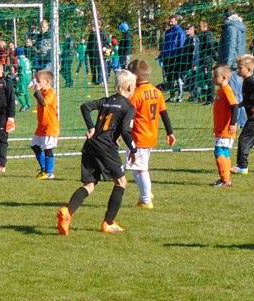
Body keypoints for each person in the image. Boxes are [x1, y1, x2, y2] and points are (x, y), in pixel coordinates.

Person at [55, 70, 139, 236]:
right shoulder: (128, 107)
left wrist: (91, 128)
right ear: (129, 87)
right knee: (121, 182)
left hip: (90, 144)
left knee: (90, 184)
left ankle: (68, 212)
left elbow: (85, 107)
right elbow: (125, 130)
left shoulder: (106, 101)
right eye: (134, 86)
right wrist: (133, 148)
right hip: (105, 147)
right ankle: (108, 223)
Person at [126, 59, 176, 209]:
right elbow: (164, 113)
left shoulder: (136, 95)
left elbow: (129, 118)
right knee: (137, 168)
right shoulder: (156, 92)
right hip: (151, 135)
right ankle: (146, 192)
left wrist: (122, 133)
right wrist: (170, 132)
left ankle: (146, 199)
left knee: (140, 170)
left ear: (134, 77)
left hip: (139, 137)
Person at [218, 8, 247, 126]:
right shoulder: (239, 26)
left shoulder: (231, 27)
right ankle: (241, 120)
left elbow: (231, 46)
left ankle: (239, 121)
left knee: (234, 94)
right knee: (238, 93)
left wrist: (227, 66)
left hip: (232, 65)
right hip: (237, 63)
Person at [211, 66, 239, 188]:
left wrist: (233, 123)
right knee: (225, 152)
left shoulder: (227, 90)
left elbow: (235, 106)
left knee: (219, 152)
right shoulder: (221, 90)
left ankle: (225, 180)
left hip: (226, 130)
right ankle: (226, 179)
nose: (213, 78)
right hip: (221, 129)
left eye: (216, 76)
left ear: (224, 78)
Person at [31, 70, 60, 180]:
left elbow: (43, 103)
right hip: (41, 126)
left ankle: (49, 172)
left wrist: (37, 91)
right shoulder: (42, 92)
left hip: (50, 126)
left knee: (48, 149)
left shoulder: (50, 93)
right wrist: (38, 92)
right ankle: (44, 169)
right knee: (35, 146)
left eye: (38, 81)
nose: (36, 83)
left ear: (47, 81)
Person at [159, 15, 186, 98]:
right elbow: (165, 45)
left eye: (172, 21)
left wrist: (180, 56)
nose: (170, 23)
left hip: (175, 57)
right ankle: (172, 96)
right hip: (167, 58)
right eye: (170, 21)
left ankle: (180, 95)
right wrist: (161, 55)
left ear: (176, 21)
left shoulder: (180, 32)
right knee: (169, 77)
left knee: (177, 76)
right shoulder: (168, 32)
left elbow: (181, 45)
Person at [198, 20, 218, 104]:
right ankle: (208, 97)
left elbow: (210, 46)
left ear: (205, 27)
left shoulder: (207, 35)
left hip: (207, 60)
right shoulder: (203, 35)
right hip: (204, 59)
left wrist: (215, 57)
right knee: (206, 78)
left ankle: (210, 98)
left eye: (200, 26)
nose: (199, 28)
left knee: (208, 78)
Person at [15, 47, 32, 112]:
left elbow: (19, 67)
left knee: (18, 92)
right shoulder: (27, 59)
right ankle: (28, 104)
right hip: (29, 76)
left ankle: (24, 105)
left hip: (23, 77)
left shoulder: (19, 60)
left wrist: (17, 74)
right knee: (26, 90)